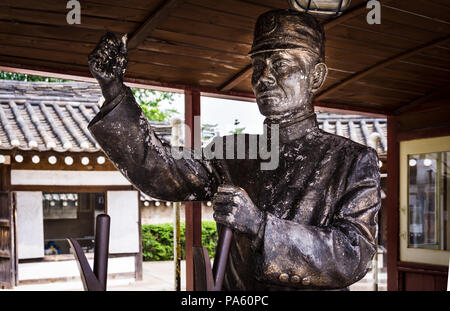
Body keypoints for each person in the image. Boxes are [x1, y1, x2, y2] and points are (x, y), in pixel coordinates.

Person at [87, 9, 381, 290]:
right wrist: (113, 91)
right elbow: (161, 171)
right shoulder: (234, 151)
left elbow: (353, 254)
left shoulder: (352, 160)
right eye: (257, 67)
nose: (263, 77)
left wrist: (261, 226)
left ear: (316, 77)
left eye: (280, 65)